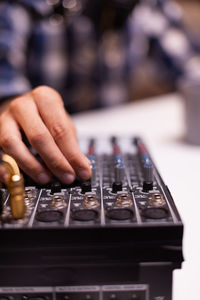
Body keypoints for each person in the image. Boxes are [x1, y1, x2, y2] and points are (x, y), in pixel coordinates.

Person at [0, 0, 198, 184]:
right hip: (38, 154)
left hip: (115, 140)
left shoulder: (150, 6)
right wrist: (9, 109)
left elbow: (192, 69)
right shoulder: (17, 7)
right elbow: (5, 81)